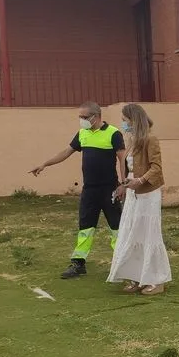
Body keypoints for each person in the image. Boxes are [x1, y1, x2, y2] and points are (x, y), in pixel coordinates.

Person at [30, 101, 126, 279]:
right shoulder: (82, 133)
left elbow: (122, 158)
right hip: (89, 190)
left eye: (84, 117)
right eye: (80, 117)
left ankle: (122, 263)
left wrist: (123, 184)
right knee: (85, 227)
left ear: (96, 116)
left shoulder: (113, 133)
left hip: (109, 189)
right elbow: (66, 152)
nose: (81, 120)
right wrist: (45, 164)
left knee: (117, 227)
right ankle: (78, 263)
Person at [108, 104, 171, 296]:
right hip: (133, 194)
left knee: (149, 234)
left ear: (134, 120)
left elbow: (156, 167)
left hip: (148, 194)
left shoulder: (150, 139)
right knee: (132, 233)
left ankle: (156, 280)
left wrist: (140, 181)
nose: (123, 124)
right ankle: (137, 277)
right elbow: (130, 167)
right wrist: (125, 184)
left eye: (125, 120)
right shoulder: (132, 140)